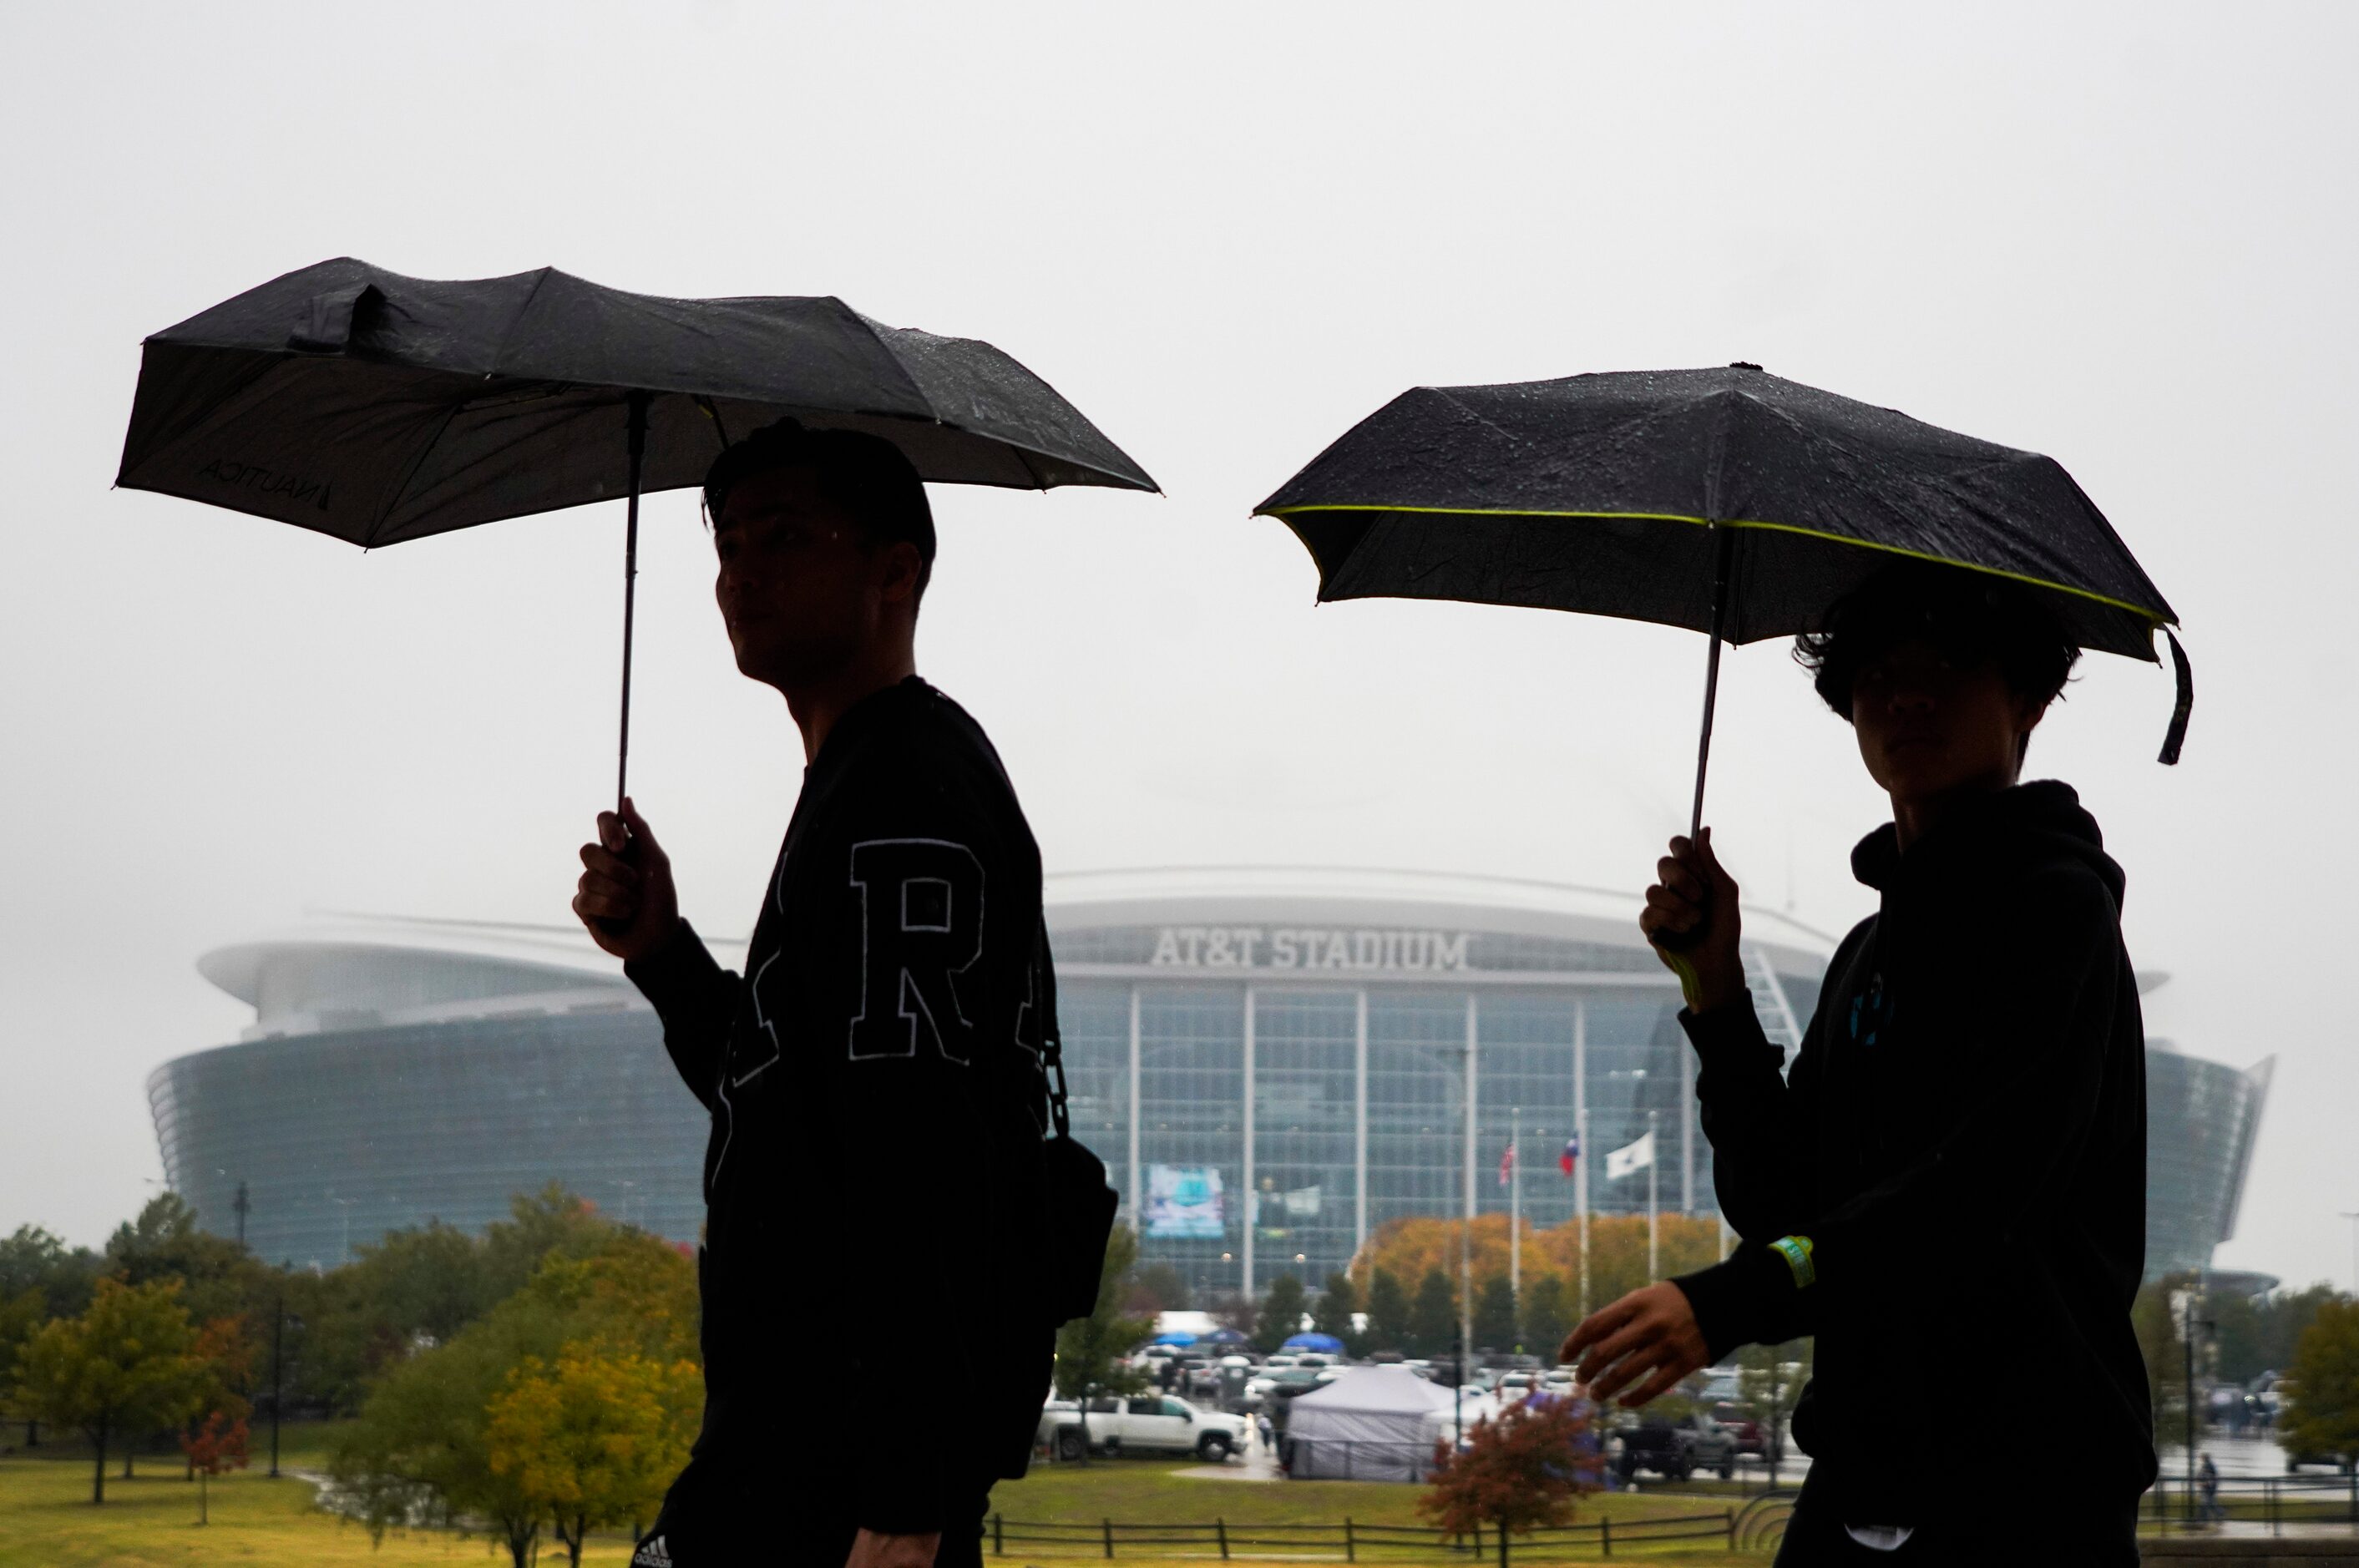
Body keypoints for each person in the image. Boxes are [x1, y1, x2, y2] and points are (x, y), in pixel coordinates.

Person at [1561, 562, 2155, 1564]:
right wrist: (1715, 994)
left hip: (2028, 1492)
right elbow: (1781, 1200)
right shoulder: (1866, 953)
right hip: (1864, 1477)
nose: (1905, 696)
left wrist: (1726, 1302)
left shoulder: (2055, 914)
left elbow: (1976, 1199)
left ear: (2030, 699)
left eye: (1949, 666)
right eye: (1877, 672)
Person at [574, 420, 1057, 1568]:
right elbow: (787, 1100)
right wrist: (659, 952)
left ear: (897, 570)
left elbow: (921, 1151)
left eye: (784, 536)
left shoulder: (903, 791)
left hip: (830, 1479)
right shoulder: (859, 778)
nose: (741, 572)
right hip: (785, 1454)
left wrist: (905, 1498)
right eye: (728, 542)